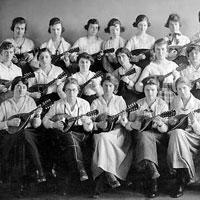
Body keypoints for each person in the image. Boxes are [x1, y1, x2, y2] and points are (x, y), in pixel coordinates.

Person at [43, 77, 93, 195]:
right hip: (63, 134)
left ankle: (79, 174)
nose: (71, 93)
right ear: (64, 91)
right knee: (68, 134)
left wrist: (88, 123)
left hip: (81, 134)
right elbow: (45, 119)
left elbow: (88, 129)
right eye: (68, 90)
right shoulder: (58, 104)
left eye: (74, 90)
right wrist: (54, 124)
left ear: (78, 91)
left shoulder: (84, 104)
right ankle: (81, 172)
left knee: (71, 136)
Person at [125, 76, 169, 198]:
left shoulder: (162, 104)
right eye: (147, 90)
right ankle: (153, 177)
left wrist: (160, 123)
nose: (150, 92)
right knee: (143, 135)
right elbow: (129, 124)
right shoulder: (138, 104)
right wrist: (135, 120)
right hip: (140, 133)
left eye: (153, 90)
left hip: (157, 135)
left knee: (145, 136)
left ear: (157, 91)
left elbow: (165, 130)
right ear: (143, 90)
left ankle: (152, 171)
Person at [91, 73, 133, 196]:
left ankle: (105, 176)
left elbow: (125, 121)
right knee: (102, 138)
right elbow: (90, 122)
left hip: (117, 133)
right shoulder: (95, 102)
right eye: (105, 85)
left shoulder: (120, 100)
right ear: (101, 86)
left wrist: (121, 119)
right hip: (100, 132)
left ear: (114, 87)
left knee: (102, 140)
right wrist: (98, 125)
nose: (107, 88)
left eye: (110, 86)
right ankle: (110, 173)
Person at [0, 76, 46, 189]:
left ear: (27, 90)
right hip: (9, 134)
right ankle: (39, 172)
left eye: (24, 87)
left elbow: (35, 124)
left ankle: (21, 179)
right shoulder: (5, 104)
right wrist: (9, 123)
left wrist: (38, 115)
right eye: (18, 87)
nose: (21, 90)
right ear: (13, 88)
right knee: (20, 136)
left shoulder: (31, 102)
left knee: (24, 134)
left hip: (28, 133)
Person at [167, 77, 200, 198]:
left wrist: (193, 121)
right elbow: (171, 120)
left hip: (193, 137)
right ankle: (181, 177)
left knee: (178, 134)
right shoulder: (175, 101)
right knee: (177, 133)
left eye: (184, 88)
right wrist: (170, 121)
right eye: (179, 89)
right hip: (178, 135)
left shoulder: (198, 104)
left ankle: (181, 178)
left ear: (190, 87)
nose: (182, 91)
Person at [135, 38, 180, 108]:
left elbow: (179, 87)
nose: (160, 52)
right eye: (158, 49)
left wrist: (176, 77)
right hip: (154, 98)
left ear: (167, 51)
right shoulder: (150, 67)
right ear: (154, 51)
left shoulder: (173, 65)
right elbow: (138, 86)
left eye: (163, 49)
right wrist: (144, 86)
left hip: (171, 98)